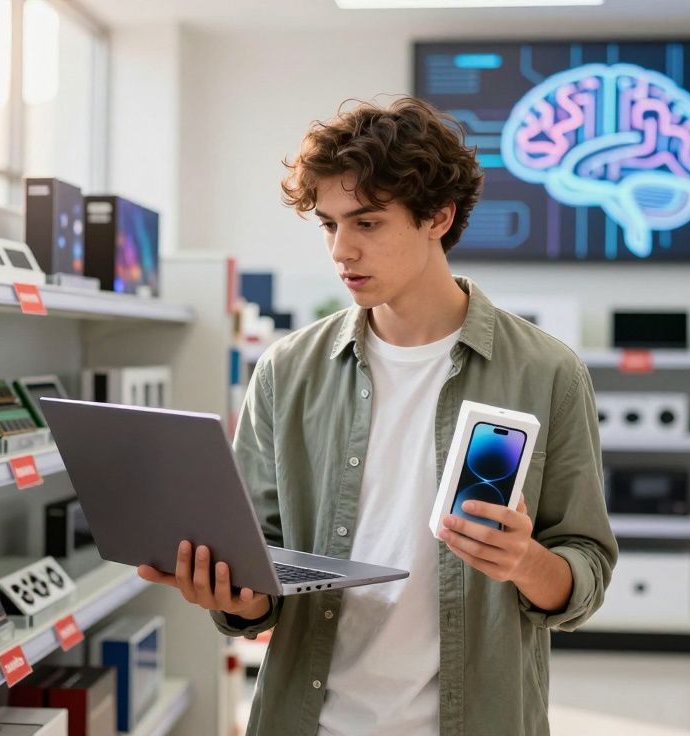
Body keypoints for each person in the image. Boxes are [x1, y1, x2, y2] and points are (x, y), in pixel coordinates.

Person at [136, 96, 618, 736]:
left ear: (437, 218)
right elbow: (260, 569)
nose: (342, 251)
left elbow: (584, 567)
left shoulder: (547, 372)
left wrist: (523, 560)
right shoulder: (287, 370)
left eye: (366, 223)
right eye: (329, 225)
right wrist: (231, 594)